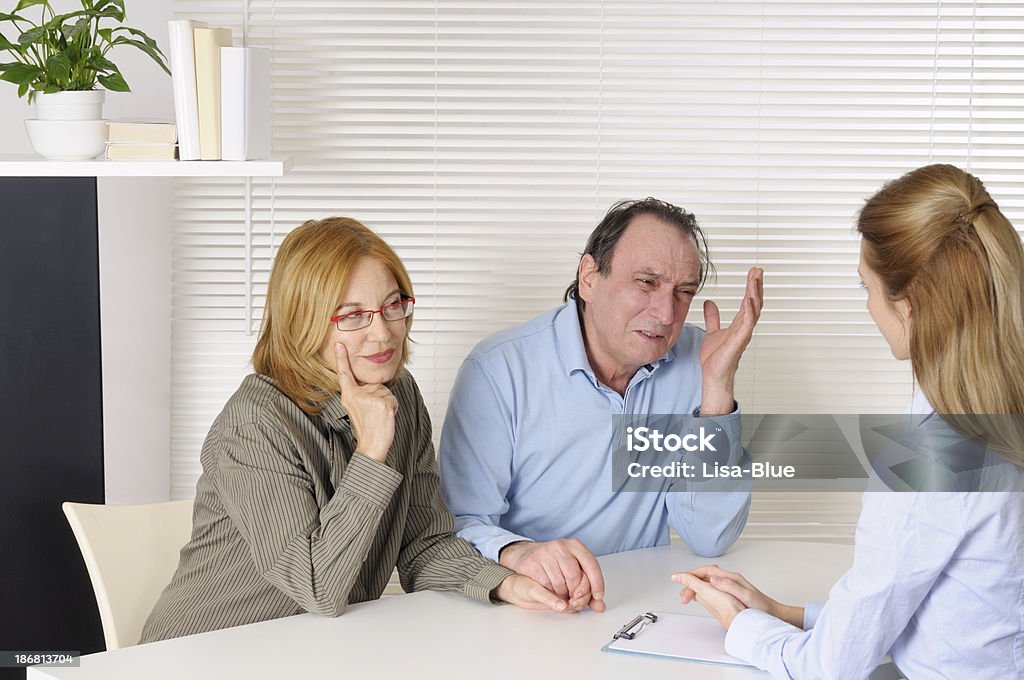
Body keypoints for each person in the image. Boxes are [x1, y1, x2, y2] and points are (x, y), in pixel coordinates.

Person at [141, 217, 568, 643]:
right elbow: (319, 588)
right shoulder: (255, 423)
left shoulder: (397, 393)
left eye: (392, 305)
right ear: (302, 322)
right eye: (353, 316)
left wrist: (504, 583)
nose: (383, 333)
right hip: (206, 650)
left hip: (314, 648)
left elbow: (424, 544)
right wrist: (372, 451)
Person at [674, 164, 1024, 679]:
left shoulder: (933, 457)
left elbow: (828, 669)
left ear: (907, 306)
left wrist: (739, 625)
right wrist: (783, 614)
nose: (867, 306)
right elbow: (953, 614)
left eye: (866, 287)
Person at [439, 198, 764, 613]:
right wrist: (520, 553)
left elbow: (710, 536)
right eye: (646, 283)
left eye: (684, 292)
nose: (666, 313)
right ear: (589, 277)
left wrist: (716, 389)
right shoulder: (498, 369)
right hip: (530, 609)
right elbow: (459, 524)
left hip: (639, 606)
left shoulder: (699, 361)